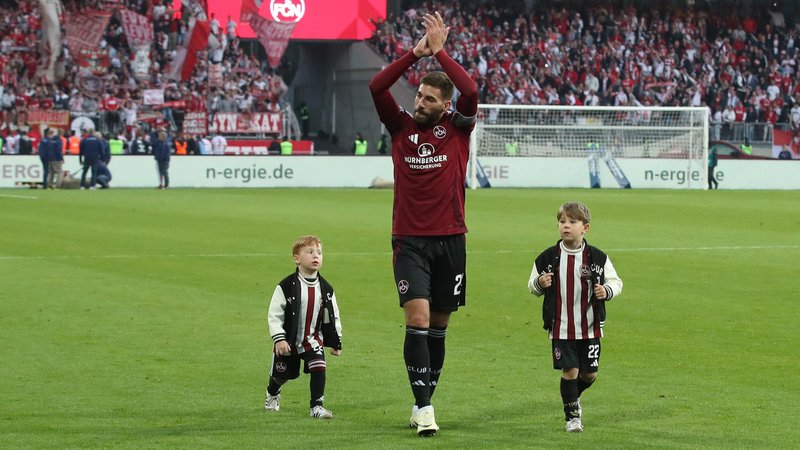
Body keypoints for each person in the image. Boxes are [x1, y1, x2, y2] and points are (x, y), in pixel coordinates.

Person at [368, 11, 478, 437]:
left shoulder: (458, 130)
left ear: (444, 105)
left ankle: (422, 401)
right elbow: (377, 86)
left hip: (451, 240)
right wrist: (415, 54)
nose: (420, 103)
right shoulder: (400, 127)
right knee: (417, 317)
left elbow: (470, 89)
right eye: (419, 96)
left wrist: (441, 53)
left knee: (439, 327)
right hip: (409, 241)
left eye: (430, 99)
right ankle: (425, 406)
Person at [527, 202, 623, 433]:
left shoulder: (597, 257)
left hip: (590, 327)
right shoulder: (548, 257)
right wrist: (539, 283)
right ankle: (572, 418)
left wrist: (607, 291)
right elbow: (532, 285)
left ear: (585, 228)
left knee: (589, 374)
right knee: (569, 371)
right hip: (561, 326)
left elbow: (615, 281)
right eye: (562, 222)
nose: (566, 226)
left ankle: (572, 397)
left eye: (572, 222)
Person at [264, 235, 343, 419]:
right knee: (282, 375)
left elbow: (333, 315)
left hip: (312, 339)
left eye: (319, 252)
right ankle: (272, 392)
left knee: (319, 366)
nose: (316, 256)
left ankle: (317, 406)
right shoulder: (286, 286)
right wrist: (279, 338)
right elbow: (275, 313)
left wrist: (336, 340)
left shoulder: (326, 289)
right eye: (310, 252)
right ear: (297, 258)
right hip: (289, 341)